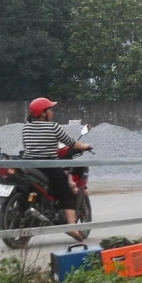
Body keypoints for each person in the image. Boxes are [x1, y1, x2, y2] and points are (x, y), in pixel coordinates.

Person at [22, 97, 93, 241]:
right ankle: (72, 228)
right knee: (67, 190)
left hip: (28, 165)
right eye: (50, 109)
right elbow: (70, 142)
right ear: (43, 113)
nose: (52, 112)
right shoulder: (53, 127)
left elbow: (29, 146)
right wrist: (85, 146)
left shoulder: (26, 128)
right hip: (48, 166)